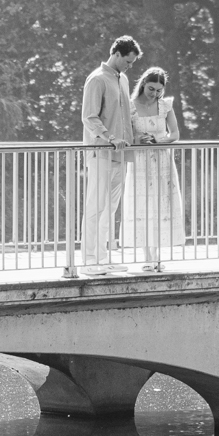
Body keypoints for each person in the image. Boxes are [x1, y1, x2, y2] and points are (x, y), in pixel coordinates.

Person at [80, 35, 140, 273]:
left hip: (122, 155)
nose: (130, 66)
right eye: (128, 61)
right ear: (117, 54)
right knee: (96, 206)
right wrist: (109, 137)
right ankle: (89, 260)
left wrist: (139, 134)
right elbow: (89, 116)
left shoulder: (123, 80)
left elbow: (129, 112)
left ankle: (103, 257)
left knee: (110, 207)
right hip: (102, 152)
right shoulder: (97, 79)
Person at [124, 66, 186, 271]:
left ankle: (157, 254)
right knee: (142, 203)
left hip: (161, 159)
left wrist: (159, 140)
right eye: (151, 89)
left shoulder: (165, 106)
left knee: (161, 203)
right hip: (140, 160)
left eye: (159, 90)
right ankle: (147, 256)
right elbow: (125, 134)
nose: (155, 94)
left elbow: (175, 133)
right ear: (143, 84)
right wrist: (137, 139)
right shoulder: (131, 106)